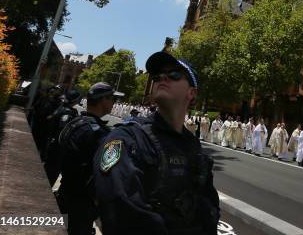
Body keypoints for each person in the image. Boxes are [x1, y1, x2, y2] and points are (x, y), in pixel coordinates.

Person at [93, 51, 220, 234]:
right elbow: (121, 212)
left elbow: (208, 203)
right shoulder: (127, 137)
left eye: (174, 75)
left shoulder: (193, 146)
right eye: (157, 76)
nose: (162, 79)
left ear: (192, 93)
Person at [57, 82, 121, 234]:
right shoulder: (97, 133)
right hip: (81, 204)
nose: (114, 103)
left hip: (65, 194)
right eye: (113, 99)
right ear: (103, 100)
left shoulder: (76, 122)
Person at [44, 89, 81, 186]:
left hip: (53, 144)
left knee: (49, 170)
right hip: (58, 147)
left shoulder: (62, 108)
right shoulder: (67, 113)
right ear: (75, 100)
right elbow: (62, 131)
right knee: (51, 173)